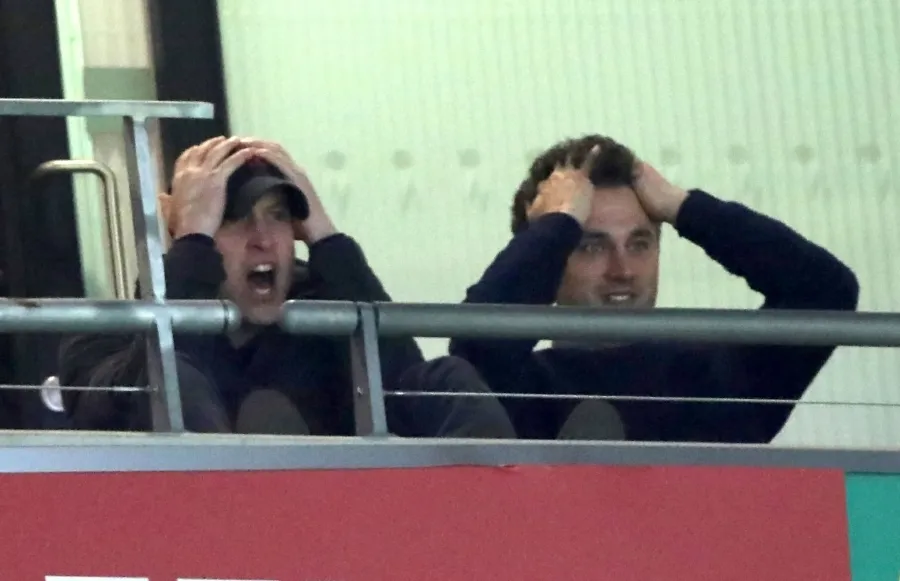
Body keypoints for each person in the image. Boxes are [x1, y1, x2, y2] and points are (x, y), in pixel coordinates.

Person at [59, 136, 514, 438]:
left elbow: (400, 383)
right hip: (197, 548)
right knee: (174, 381)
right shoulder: (104, 337)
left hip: (341, 543)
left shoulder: (324, 327)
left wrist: (329, 239)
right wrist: (192, 242)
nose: (263, 238)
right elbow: (124, 407)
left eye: (278, 215)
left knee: (447, 381)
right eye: (232, 217)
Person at [449, 134, 859, 442]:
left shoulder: (716, 380)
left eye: (640, 243)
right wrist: (555, 225)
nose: (623, 269)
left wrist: (682, 206)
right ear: (549, 256)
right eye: (592, 245)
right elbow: (475, 347)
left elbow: (826, 292)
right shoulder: (519, 387)